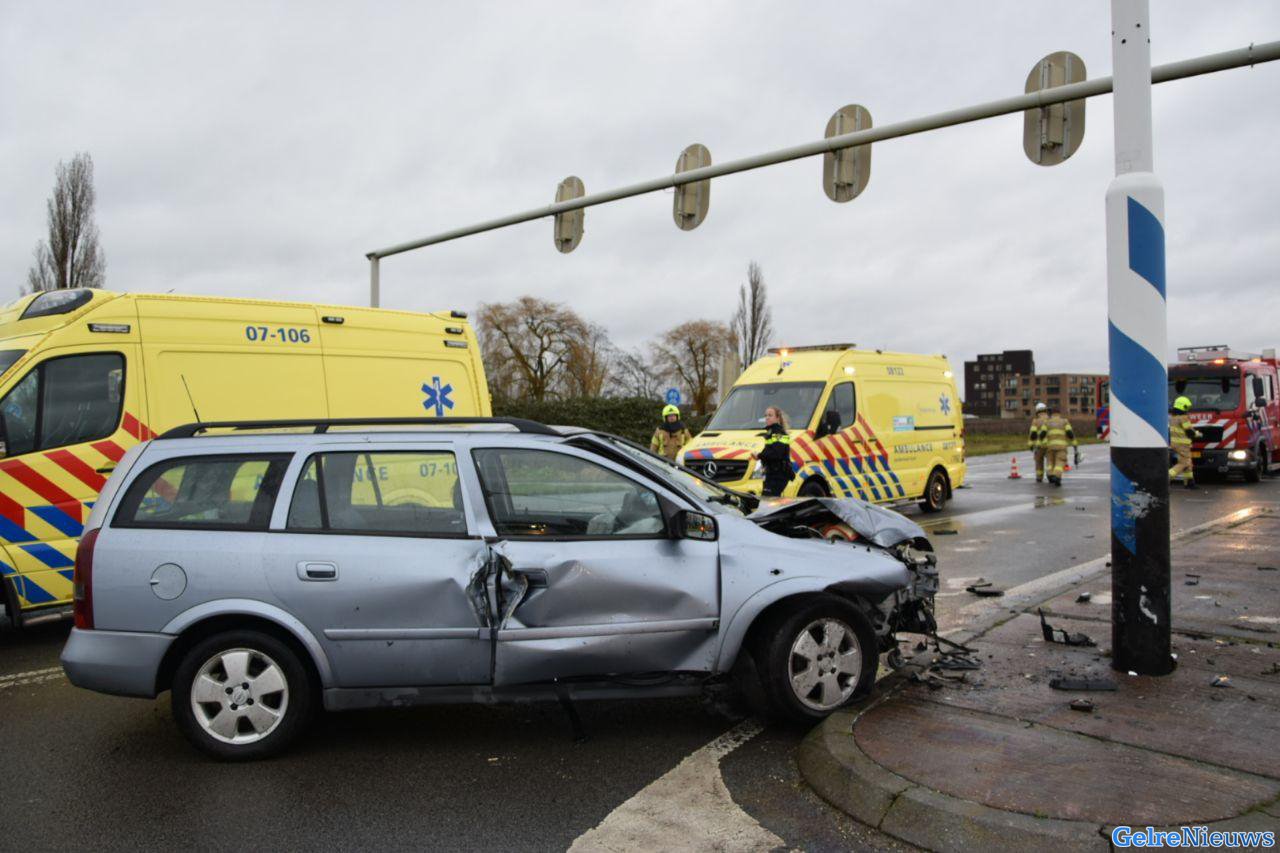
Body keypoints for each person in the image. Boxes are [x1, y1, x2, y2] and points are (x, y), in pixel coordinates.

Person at [753, 406, 794, 497]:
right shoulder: (771, 432)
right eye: (766, 415)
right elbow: (769, 450)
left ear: (777, 418)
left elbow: (776, 453)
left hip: (778, 474)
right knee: (769, 500)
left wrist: (759, 455)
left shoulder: (778, 433)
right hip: (772, 473)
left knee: (768, 500)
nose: (767, 417)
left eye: (770, 415)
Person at [1169, 395, 1201, 490]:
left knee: (1188, 463)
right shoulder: (1183, 418)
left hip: (1175, 444)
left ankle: (1189, 482)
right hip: (1183, 445)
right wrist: (1197, 434)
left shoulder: (1173, 418)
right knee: (1183, 463)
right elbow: (1189, 431)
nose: (1188, 410)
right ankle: (1166, 478)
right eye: (1187, 407)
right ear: (1183, 406)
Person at [1041, 405, 1076, 486]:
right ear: (1059, 413)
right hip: (1061, 447)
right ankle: (1057, 476)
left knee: (1050, 462)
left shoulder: (1047, 422)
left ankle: (1050, 475)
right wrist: (1074, 444)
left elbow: (1042, 434)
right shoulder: (1064, 421)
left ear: (1052, 413)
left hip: (1050, 447)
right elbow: (1070, 433)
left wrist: (1041, 443)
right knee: (1060, 462)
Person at [1028, 402, 1050, 482]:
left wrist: (1031, 444)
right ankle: (1050, 475)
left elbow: (1032, 434)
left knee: (1039, 462)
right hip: (1049, 445)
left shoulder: (1035, 421)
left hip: (1039, 445)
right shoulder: (1050, 419)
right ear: (1045, 410)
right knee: (1050, 461)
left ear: (1037, 411)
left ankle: (1039, 477)